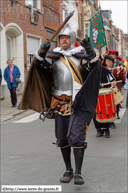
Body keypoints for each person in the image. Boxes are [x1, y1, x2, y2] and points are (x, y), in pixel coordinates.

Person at [19, 24, 101, 185]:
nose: (64, 40)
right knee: (62, 138)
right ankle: (68, 169)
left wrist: (90, 51)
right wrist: (41, 51)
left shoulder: (80, 56)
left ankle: (78, 173)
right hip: (59, 104)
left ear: (71, 39)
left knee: (77, 137)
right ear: (59, 40)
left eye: (66, 38)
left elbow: (92, 66)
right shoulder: (53, 56)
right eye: (61, 38)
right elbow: (38, 64)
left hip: (77, 103)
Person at [93, 62, 116, 138]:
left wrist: (113, 84)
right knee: (95, 113)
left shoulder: (105, 71)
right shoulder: (89, 71)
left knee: (105, 111)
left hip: (104, 94)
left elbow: (112, 80)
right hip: (94, 94)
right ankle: (99, 130)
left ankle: (106, 129)